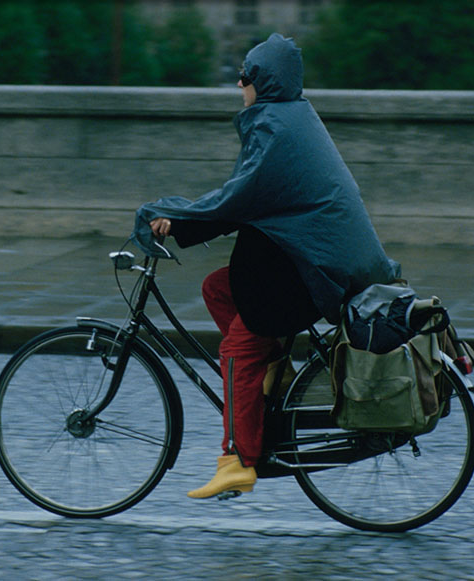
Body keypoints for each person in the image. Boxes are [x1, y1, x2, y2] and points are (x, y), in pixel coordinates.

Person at [132, 33, 401, 499]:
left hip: (313, 275)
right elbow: (244, 202)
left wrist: (176, 218)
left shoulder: (275, 127)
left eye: (247, 74)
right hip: (313, 266)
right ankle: (273, 367)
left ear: (265, 81)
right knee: (219, 288)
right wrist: (184, 223)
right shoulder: (289, 118)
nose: (239, 82)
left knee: (237, 350)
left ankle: (237, 459)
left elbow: (238, 198)